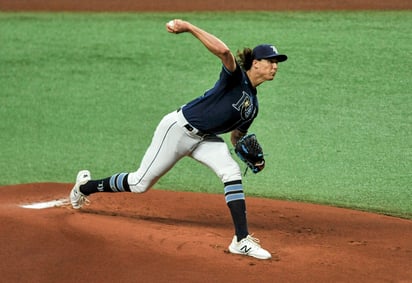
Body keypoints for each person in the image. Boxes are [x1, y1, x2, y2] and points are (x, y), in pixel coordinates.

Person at [70, 19, 287, 260]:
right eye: (271, 61)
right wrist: (189, 27)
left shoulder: (253, 107)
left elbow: (237, 137)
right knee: (140, 183)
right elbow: (224, 52)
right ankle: (84, 187)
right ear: (255, 63)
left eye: (276, 63)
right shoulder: (236, 78)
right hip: (177, 130)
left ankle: (241, 240)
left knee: (231, 171)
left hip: (205, 139)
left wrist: (252, 155)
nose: (275, 66)